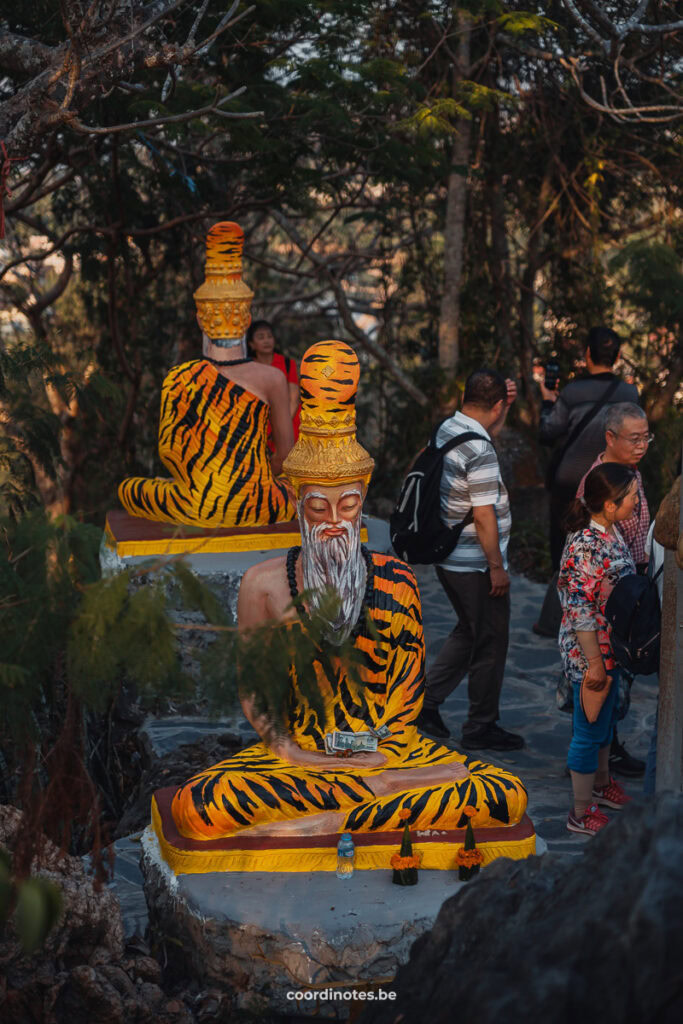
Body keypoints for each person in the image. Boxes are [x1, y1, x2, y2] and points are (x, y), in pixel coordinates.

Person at [168, 342, 532, 866]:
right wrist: (298, 752)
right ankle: (373, 805)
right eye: (318, 506)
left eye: (349, 504)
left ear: (363, 500)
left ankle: (332, 820)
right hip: (303, 761)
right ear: (296, 504)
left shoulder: (396, 581)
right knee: (202, 807)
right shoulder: (264, 585)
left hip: (387, 752)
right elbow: (257, 693)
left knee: (502, 793)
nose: (335, 520)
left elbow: (407, 703)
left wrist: (374, 754)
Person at [118, 223, 295, 528]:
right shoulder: (272, 377)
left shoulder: (180, 377)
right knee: (298, 494)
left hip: (197, 506)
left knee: (128, 489)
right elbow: (286, 457)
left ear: (200, 319)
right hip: (260, 504)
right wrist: (255, 473)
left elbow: (169, 451)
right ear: (247, 319)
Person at [415, 368, 524, 752]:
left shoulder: (450, 427)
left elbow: (485, 432)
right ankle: (481, 726)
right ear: (496, 405)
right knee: (490, 643)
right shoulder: (480, 450)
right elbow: (483, 515)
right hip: (474, 564)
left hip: (449, 556)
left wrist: (502, 408)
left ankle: (424, 703)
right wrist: (496, 567)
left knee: (469, 630)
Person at [534, 327, 639, 638]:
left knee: (563, 551)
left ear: (587, 355)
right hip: (612, 485)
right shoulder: (630, 394)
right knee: (609, 550)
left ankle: (555, 621)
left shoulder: (572, 392)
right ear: (618, 357)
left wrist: (548, 403)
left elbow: (548, 432)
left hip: (569, 482)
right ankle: (605, 617)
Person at [559, 462, 639, 837]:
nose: (637, 502)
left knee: (605, 724)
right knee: (587, 730)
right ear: (610, 504)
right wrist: (594, 664)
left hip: (611, 648)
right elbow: (578, 610)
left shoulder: (611, 531)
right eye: (632, 497)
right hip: (590, 652)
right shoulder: (585, 544)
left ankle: (602, 785)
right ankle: (579, 810)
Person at [575, 402, 652, 778]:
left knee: (617, 688)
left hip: (628, 591)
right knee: (598, 695)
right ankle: (588, 781)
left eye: (646, 437)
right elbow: (580, 590)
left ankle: (605, 764)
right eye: (634, 438)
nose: (642, 445)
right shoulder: (601, 482)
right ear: (610, 437)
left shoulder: (629, 473)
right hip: (606, 611)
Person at [247, 319, 301, 442]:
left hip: (290, 423)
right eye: (261, 337)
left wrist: (281, 426)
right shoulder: (247, 367)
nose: (266, 341)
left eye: (269, 336)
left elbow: (293, 399)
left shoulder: (287, 363)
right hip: (259, 427)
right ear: (251, 344)